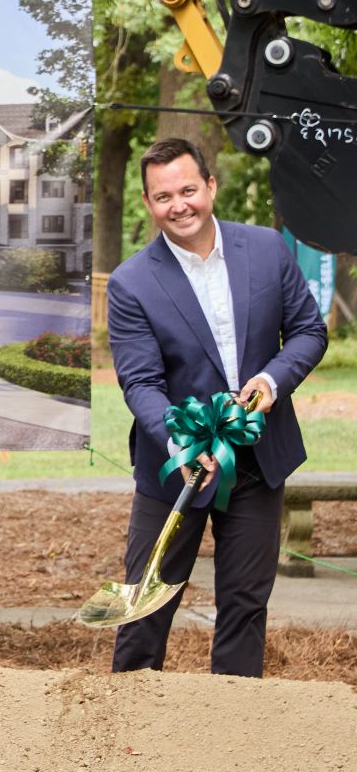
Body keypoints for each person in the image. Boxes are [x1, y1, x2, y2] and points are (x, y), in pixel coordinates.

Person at [105, 137, 326, 677]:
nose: (178, 205)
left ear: (211, 185)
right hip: (176, 467)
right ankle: (123, 728)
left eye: (187, 190)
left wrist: (272, 381)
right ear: (147, 202)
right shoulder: (130, 282)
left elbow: (307, 332)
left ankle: (231, 730)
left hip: (257, 459)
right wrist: (179, 442)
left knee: (246, 606)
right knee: (145, 604)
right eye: (162, 197)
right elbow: (141, 384)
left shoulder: (269, 249)